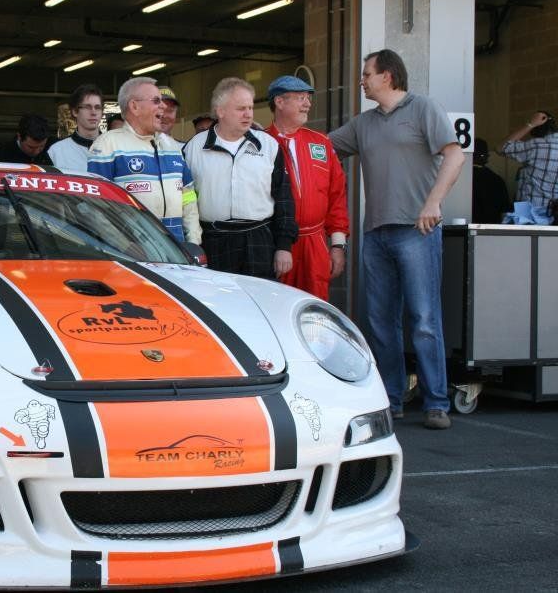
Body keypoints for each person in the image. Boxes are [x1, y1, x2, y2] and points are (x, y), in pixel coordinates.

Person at [329, 49, 464, 431]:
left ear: (387, 76)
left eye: (366, 74)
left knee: (424, 319)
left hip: (417, 231)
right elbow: (319, 148)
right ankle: (391, 400)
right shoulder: (364, 123)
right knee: (381, 322)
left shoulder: (424, 108)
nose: (361, 81)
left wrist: (433, 202)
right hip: (376, 234)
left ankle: (436, 402)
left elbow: (455, 156)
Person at [183, 77, 297, 279]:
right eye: (241, 108)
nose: (248, 114)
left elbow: (284, 198)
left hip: (259, 239)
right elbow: (183, 199)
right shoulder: (193, 148)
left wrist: (284, 246)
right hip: (212, 240)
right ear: (220, 111)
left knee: (259, 297)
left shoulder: (269, 145)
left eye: (250, 108)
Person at [264, 75, 349, 300]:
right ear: (279, 102)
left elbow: (337, 195)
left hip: (315, 244)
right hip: (275, 244)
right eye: (301, 98)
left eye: (308, 98)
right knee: (275, 304)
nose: (308, 104)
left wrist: (338, 245)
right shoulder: (261, 143)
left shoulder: (321, 142)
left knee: (314, 309)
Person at [88, 77, 201, 244]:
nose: (163, 106)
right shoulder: (107, 144)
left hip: (176, 248)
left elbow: (188, 197)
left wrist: (193, 241)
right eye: (156, 101)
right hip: (134, 249)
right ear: (134, 106)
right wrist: (124, 246)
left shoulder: (171, 146)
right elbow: (95, 206)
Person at [498, 111, 558, 208]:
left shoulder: (536, 145)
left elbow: (500, 148)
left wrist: (530, 124)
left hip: (532, 212)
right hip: (554, 213)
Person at [48, 84, 104, 171]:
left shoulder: (116, 149)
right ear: (75, 111)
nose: (93, 112)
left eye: (97, 107)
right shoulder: (56, 151)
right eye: (87, 107)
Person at [472, 139, 510, 224]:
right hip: (491, 228)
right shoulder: (497, 180)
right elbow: (505, 211)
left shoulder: (461, 178)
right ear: (486, 157)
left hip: (464, 227)